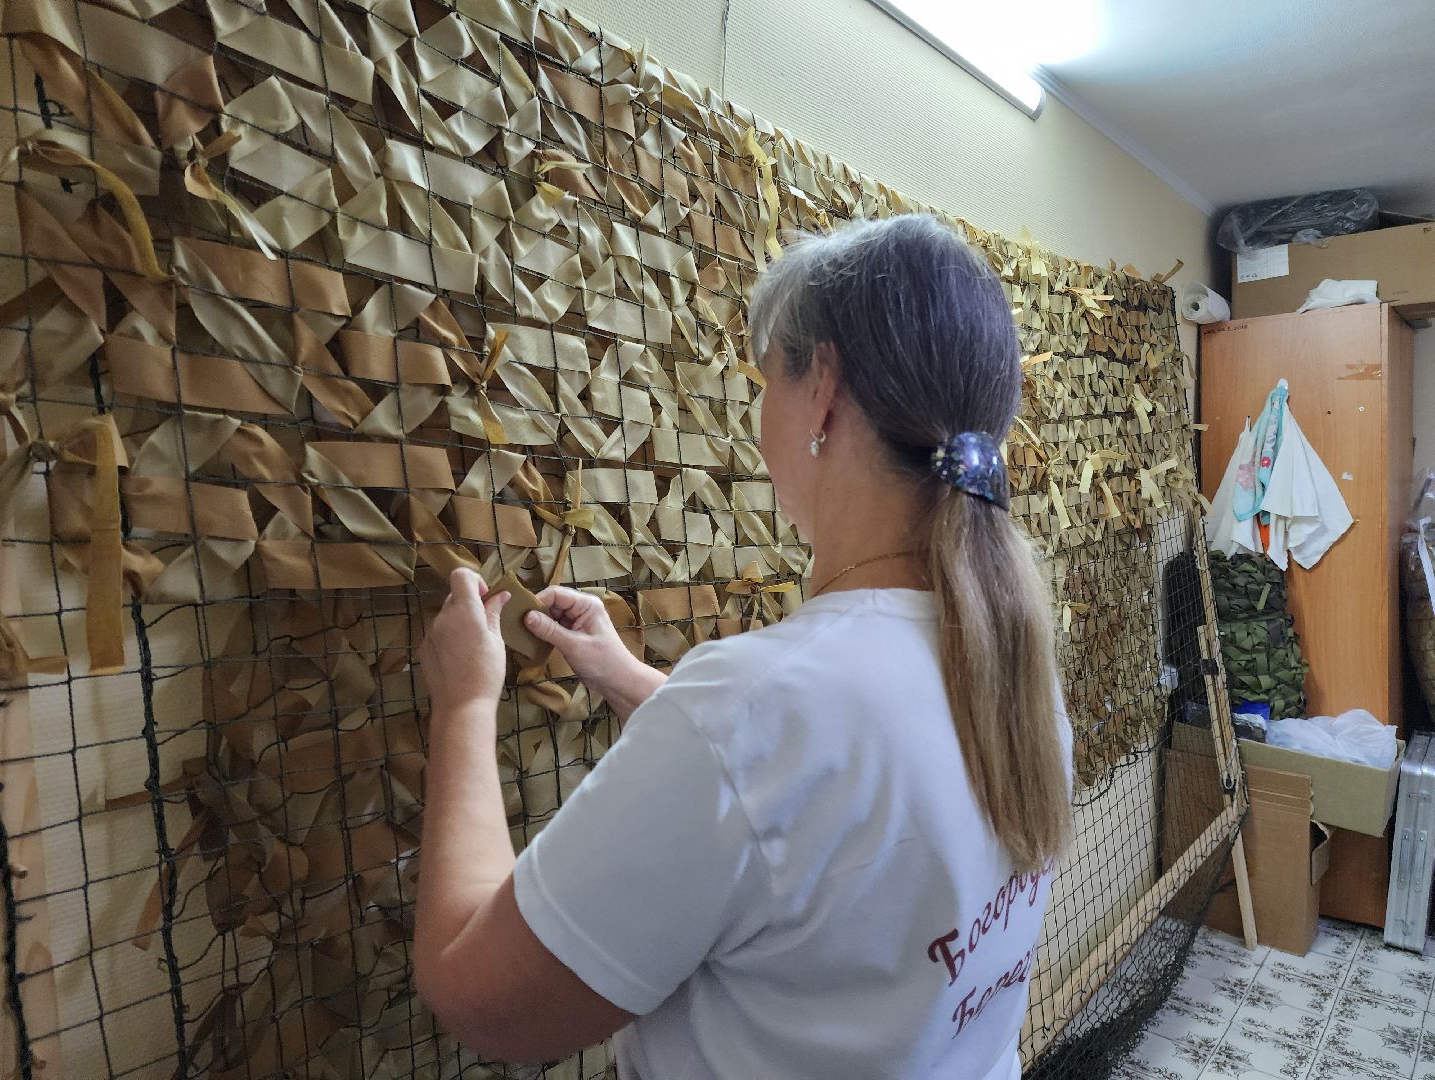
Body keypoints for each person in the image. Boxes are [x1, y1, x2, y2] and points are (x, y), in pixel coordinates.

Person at [414, 214, 1074, 1079]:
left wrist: (462, 701)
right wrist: (638, 684)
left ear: (823, 390)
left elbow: (479, 999)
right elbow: (817, 814)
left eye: (769, 378)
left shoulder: (756, 709)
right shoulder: (1009, 668)